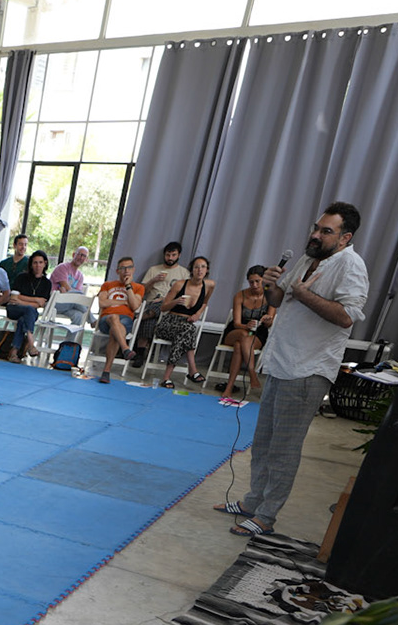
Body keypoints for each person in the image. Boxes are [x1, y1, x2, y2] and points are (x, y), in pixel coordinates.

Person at [222, 204, 368, 538]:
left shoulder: (350, 266)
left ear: (345, 237)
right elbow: (279, 298)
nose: (315, 235)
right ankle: (253, 502)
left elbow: (347, 316)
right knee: (263, 442)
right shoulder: (308, 258)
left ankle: (267, 516)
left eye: (326, 231)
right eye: (316, 227)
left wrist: (304, 294)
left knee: (284, 448)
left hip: (307, 369)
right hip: (281, 361)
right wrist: (272, 285)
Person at [154, 257, 216, 388]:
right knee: (189, 330)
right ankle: (192, 370)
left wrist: (197, 314)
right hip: (170, 322)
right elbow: (163, 308)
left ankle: (167, 377)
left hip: (186, 324)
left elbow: (204, 303)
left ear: (207, 270)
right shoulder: (180, 284)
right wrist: (176, 301)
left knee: (186, 331)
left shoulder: (209, 285)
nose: (200, 270)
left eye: (203, 267)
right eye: (196, 267)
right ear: (191, 270)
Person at [83, 258, 145, 382]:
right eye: (123, 268)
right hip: (106, 319)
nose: (126, 271)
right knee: (113, 317)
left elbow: (134, 306)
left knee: (115, 331)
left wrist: (128, 286)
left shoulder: (138, 287)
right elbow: (102, 303)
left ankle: (106, 371)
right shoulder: (107, 285)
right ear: (117, 271)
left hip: (126, 320)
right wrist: (124, 302)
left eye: (129, 267)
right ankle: (125, 348)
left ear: (133, 269)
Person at [221, 266, 277, 401]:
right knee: (243, 335)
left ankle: (229, 387)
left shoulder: (271, 296)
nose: (254, 285)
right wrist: (246, 326)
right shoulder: (240, 295)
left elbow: (270, 322)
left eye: (258, 281)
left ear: (264, 280)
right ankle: (252, 372)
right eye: (251, 282)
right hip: (237, 330)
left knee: (239, 345)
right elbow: (236, 323)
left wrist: (267, 320)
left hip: (257, 333)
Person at [1, 251, 53, 361]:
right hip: (14, 308)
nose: (38, 265)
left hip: (29, 312)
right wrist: (35, 299)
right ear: (31, 264)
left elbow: (41, 304)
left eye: (40, 262)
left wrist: (21, 301)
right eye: (35, 263)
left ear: (45, 264)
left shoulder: (46, 283)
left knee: (23, 319)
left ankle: (14, 352)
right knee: (30, 310)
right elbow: (14, 297)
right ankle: (31, 343)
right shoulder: (22, 277)